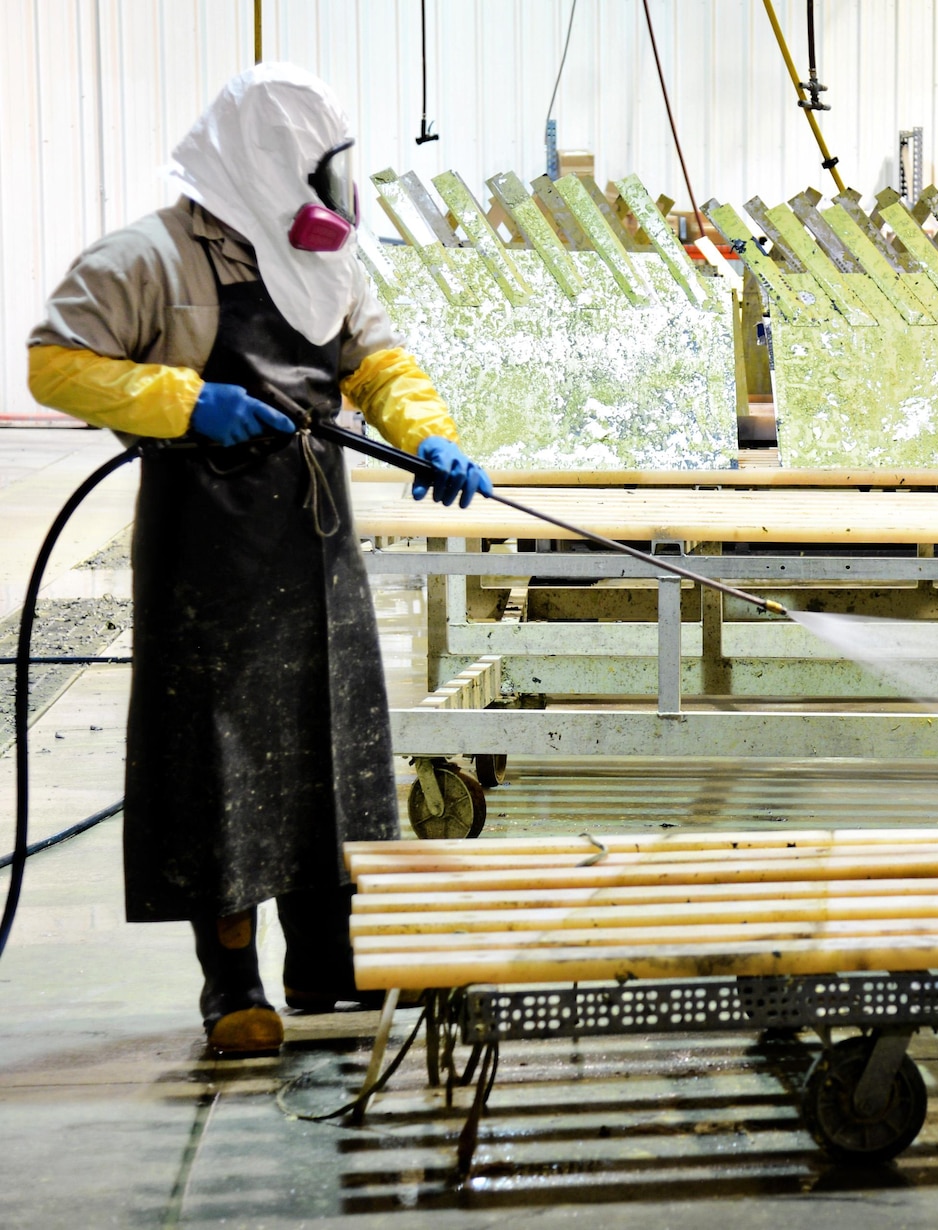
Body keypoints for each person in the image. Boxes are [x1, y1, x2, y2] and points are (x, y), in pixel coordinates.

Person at [25, 64, 491, 1055]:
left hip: (315, 545)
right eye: (319, 169)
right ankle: (230, 987)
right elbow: (57, 362)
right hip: (208, 551)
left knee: (336, 749)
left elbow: (377, 363)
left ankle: (328, 966)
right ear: (267, 163)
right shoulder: (146, 258)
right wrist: (187, 404)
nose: (333, 190)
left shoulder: (315, 260)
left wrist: (427, 434)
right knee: (219, 763)